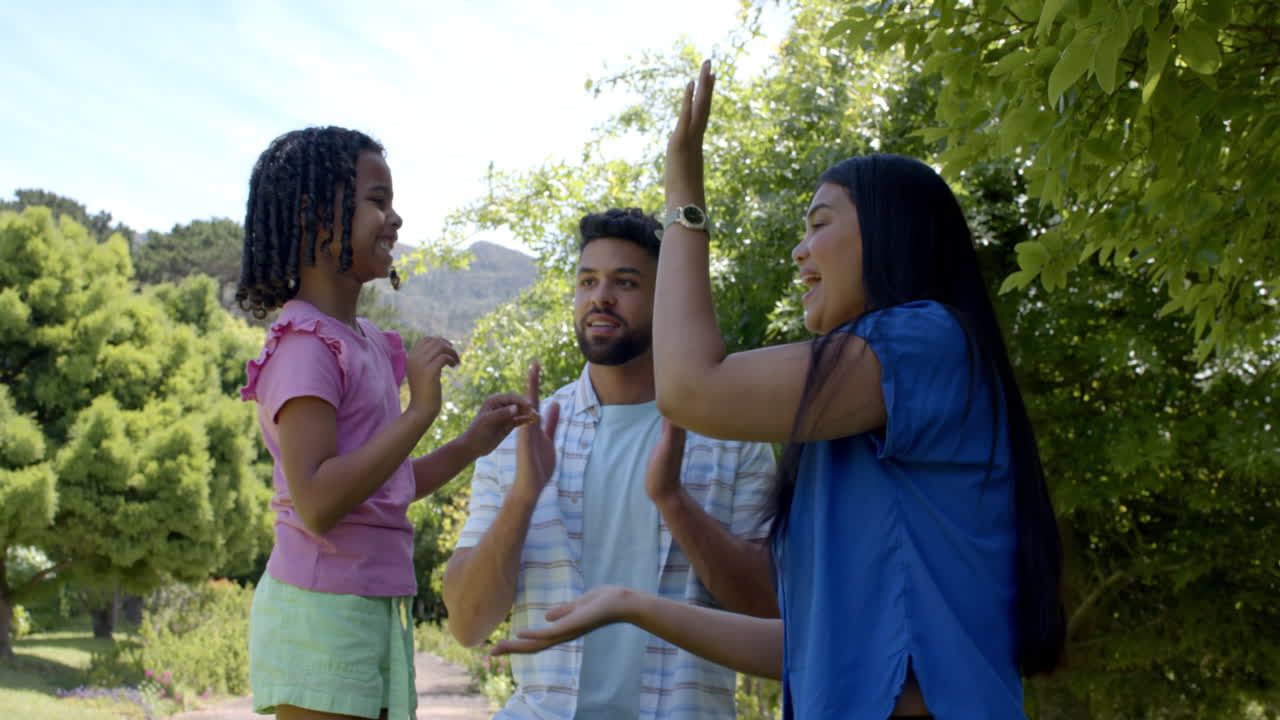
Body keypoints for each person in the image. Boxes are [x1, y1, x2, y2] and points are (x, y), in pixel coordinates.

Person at [492, 62, 1068, 720]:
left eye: (819, 224)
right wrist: (632, 604)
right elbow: (811, 649)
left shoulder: (923, 343)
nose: (800, 251)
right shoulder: (854, 416)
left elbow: (689, 387)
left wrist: (684, 192)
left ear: (891, 233)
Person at [236, 126, 536, 720]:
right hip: (320, 609)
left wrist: (471, 444)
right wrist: (420, 412)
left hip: (369, 603)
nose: (394, 218)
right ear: (314, 215)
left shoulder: (365, 343)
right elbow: (320, 501)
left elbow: (385, 487)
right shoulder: (305, 347)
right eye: (377, 200)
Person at [442, 207, 779, 719]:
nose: (600, 296)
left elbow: (769, 610)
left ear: (668, 300)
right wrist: (524, 496)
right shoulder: (524, 439)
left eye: (625, 282)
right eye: (587, 281)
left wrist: (673, 500)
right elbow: (468, 624)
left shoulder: (733, 437)